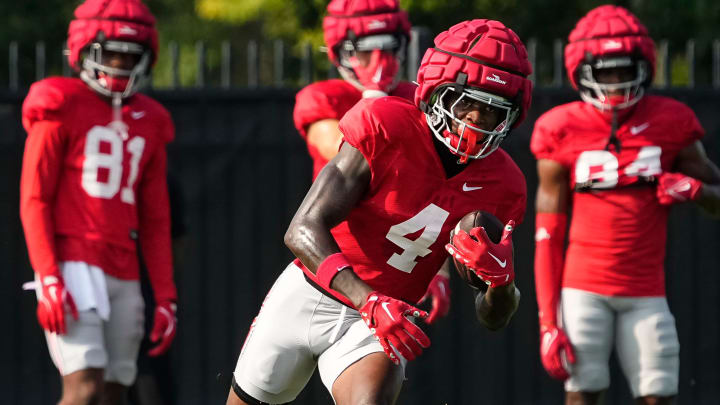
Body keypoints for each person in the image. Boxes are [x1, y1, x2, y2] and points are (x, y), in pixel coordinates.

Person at [227, 18, 531, 405]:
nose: (474, 119)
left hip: (381, 321)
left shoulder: (504, 185)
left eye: (491, 111)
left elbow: (494, 318)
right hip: (310, 294)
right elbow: (302, 228)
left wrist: (503, 285)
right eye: (465, 102)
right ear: (438, 92)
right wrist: (368, 300)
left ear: (510, 118)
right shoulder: (385, 124)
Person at [531, 5, 720, 405]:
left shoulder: (672, 121)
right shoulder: (560, 128)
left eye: (622, 70)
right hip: (583, 289)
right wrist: (548, 321)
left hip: (646, 290)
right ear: (582, 71)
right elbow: (547, 235)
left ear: (644, 66)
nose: (615, 82)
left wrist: (698, 192)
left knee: (658, 393)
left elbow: (716, 192)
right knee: (582, 394)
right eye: (604, 72)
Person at [19, 0, 178, 404]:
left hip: (124, 268)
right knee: (84, 384)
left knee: (115, 389)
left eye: (130, 55)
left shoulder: (151, 118)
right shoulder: (59, 103)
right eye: (110, 53)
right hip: (73, 264)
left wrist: (165, 295)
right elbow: (34, 198)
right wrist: (49, 276)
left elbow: (157, 219)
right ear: (84, 51)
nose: (120, 64)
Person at [293, 0, 451, 324]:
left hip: (396, 263)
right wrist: (376, 103)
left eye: (388, 49)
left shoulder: (415, 98)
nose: (379, 61)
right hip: (333, 260)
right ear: (341, 51)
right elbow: (338, 148)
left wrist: (438, 267)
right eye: (365, 50)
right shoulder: (322, 97)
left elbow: (438, 190)